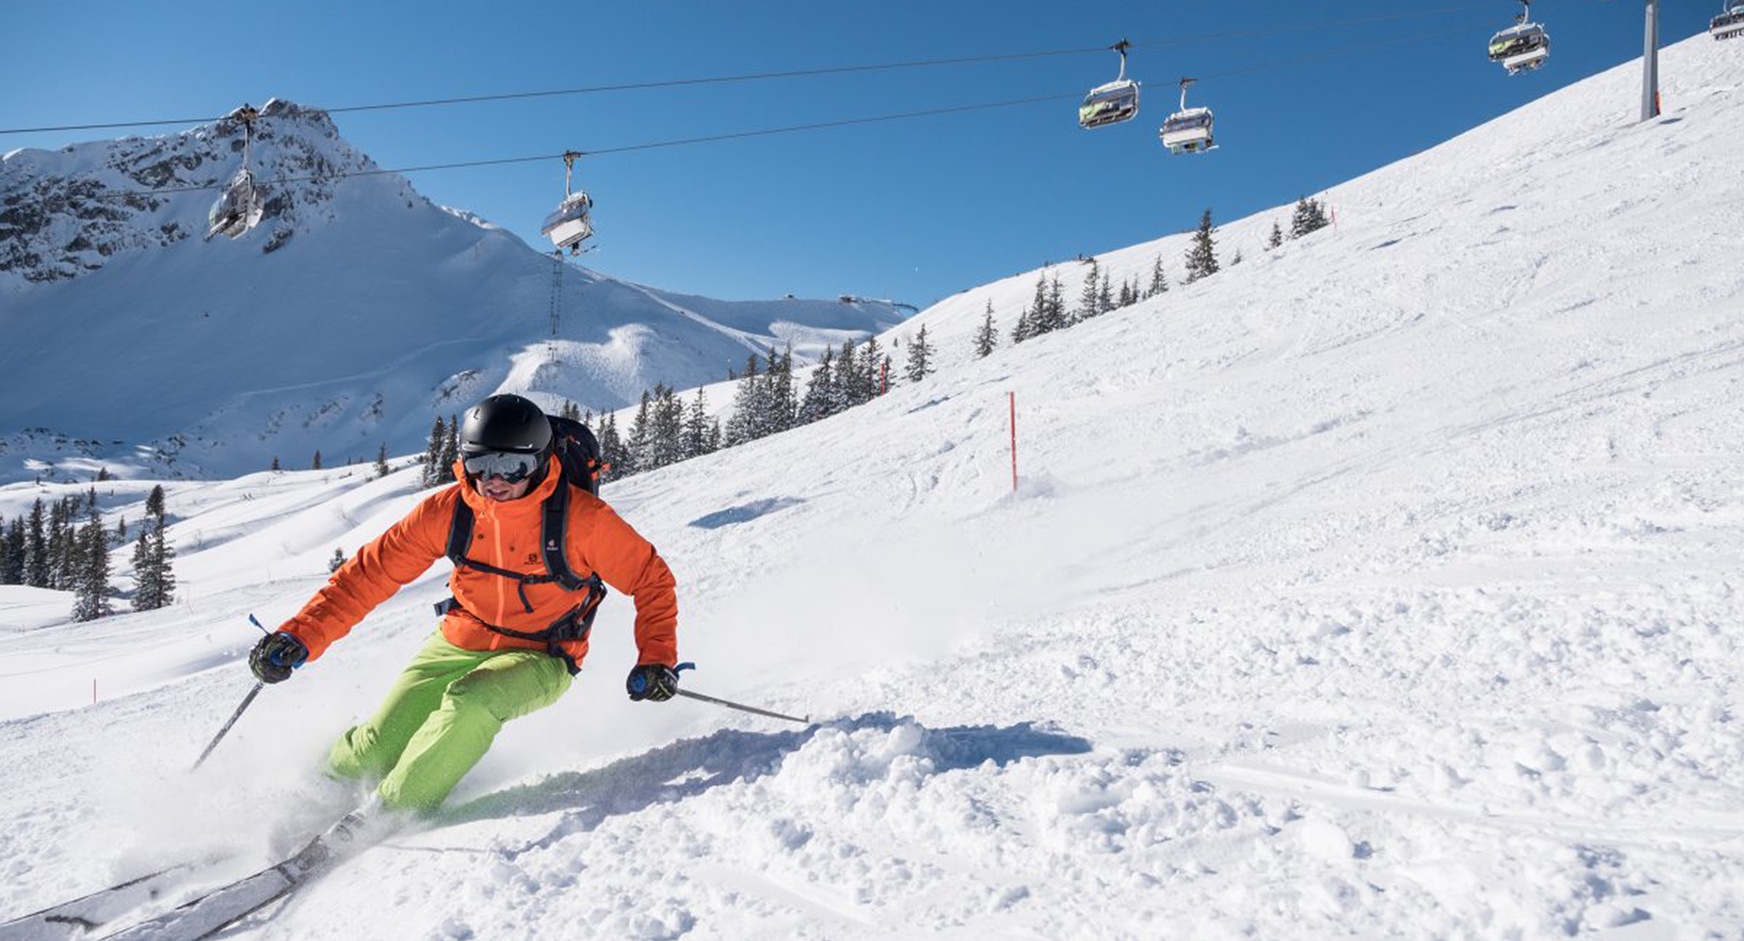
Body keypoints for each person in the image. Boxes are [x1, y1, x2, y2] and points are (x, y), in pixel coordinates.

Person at [249, 393, 680, 837]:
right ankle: (315, 792)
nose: (492, 480)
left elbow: (652, 580)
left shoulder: (582, 521)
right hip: (460, 637)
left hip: (543, 653)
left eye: (510, 467)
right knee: (378, 744)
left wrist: (656, 657)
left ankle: (387, 815)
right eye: (480, 464)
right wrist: (300, 636)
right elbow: (368, 576)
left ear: (538, 463)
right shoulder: (450, 510)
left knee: (472, 703)